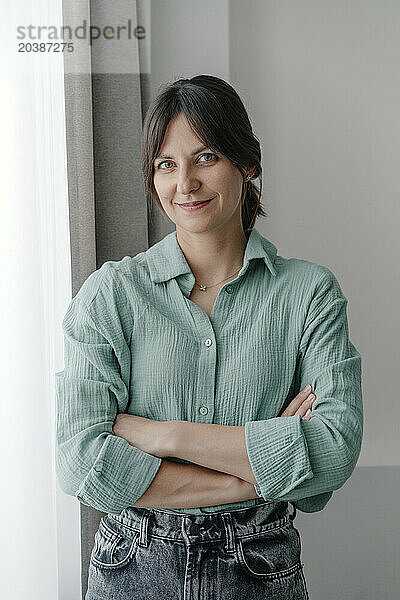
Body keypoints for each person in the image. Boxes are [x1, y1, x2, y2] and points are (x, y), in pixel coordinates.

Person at [55, 75, 363, 600]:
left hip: (260, 565)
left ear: (247, 163)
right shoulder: (109, 296)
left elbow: (334, 450)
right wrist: (254, 476)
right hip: (131, 567)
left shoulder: (310, 293)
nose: (185, 183)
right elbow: (80, 460)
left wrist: (166, 435)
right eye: (166, 165)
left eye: (206, 157)